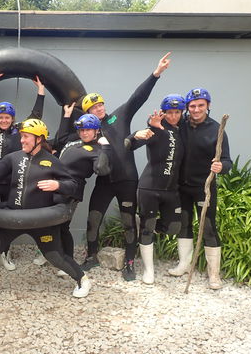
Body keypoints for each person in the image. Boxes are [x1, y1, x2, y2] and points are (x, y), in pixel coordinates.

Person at [0, 119, 91, 299]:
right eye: (22, 136)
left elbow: (72, 185)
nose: (21, 140)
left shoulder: (51, 161)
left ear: (39, 139)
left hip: (41, 221)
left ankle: (82, 279)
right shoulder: (13, 158)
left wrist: (58, 185)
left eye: (26, 137)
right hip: (12, 218)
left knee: (55, 256)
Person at [80, 52, 171, 281]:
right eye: (93, 107)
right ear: (87, 113)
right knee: (93, 220)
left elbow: (137, 98)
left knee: (129, 223)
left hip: (127, 181)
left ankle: (129, 263)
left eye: (100, 104)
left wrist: (156, 74)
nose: (99, 108)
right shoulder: (88, 132)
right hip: (104, 182)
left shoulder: (118, 116)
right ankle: (91, 256)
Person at [0, 69, 46, 275]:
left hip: (11, 184)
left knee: (7, 222)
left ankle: (3, 253)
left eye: (7, 117)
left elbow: (36, 116)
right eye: (1, 117)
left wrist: (41, 92)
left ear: (12, 119)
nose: (4, 120)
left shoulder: (19, 132)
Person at [169, 88, 232, 289]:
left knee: (209, 228)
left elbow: (227, 161)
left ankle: (214, 274)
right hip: (182, 187)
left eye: (200, 105)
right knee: (184, 224)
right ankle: (184, 264)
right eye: (192, 106)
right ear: (187, 107)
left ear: (208, 106)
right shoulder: (181, 125)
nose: (196, 110)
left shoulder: (217, 130)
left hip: (204, 188)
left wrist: (221, 167)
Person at [125, 94, 185, 284]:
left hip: (171, 190)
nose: (173, 116)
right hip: (149, 188)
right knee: (147, 230)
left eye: (177, 112)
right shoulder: (155, 128)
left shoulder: (183, 131)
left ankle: (143, 224)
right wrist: (138, 133)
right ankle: (149, 270)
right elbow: (129, 144)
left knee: (174, 227)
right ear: (163, 113)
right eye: (169, 112)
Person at [51, 106, 112, 275]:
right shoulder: (75, 142)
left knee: (63, 226)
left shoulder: (97, 150)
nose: (84, 133)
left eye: (88, 130)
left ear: (96, 131)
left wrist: (106, 147)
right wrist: (67, 115)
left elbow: (102, 169)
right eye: (82, 130)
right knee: (52, 225)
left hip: (71, 191)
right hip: (55, 186)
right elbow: (60, 140)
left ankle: (68, 263)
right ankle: (55, 255)